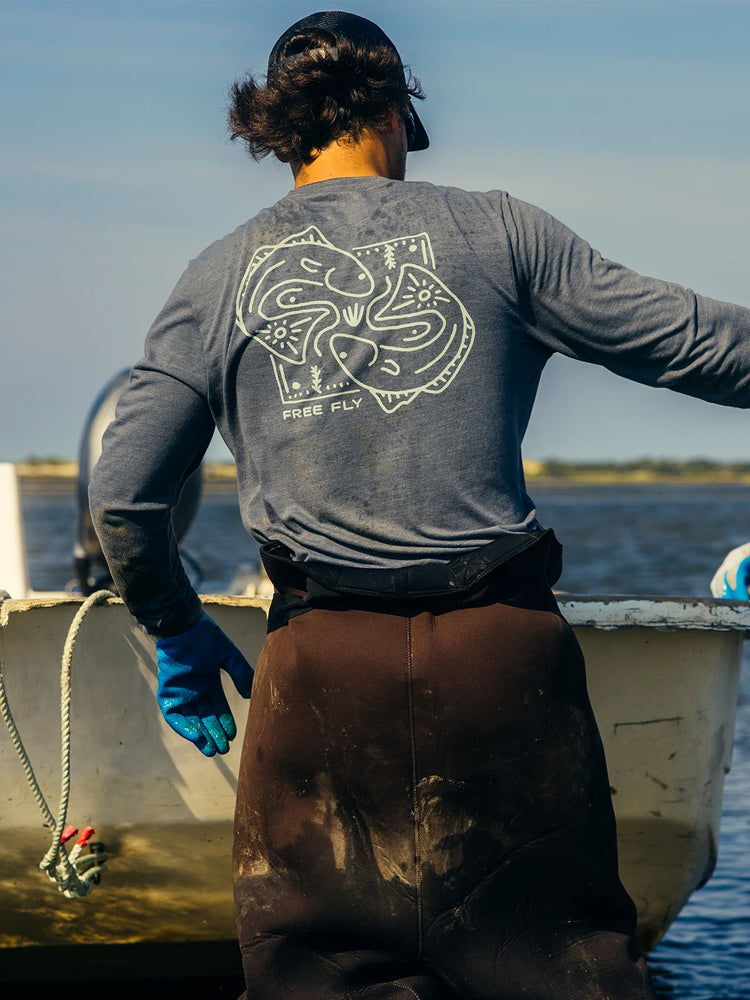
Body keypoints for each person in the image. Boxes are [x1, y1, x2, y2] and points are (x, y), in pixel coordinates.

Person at [89, 11, 750, 1000]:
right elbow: (714, 348)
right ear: (396, 113)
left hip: (319, 676)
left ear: (276, 132)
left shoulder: (216, 277)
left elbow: (122, 492)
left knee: (316, 983)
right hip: (501, 664)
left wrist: (176, 629)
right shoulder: (502, 232)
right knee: (567, 972)